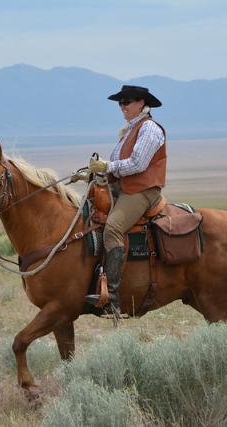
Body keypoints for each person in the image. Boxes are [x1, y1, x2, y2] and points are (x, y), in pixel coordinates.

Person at [84, 85, 166, 314]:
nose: (122, 107)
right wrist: (96, 174)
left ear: (142, 103)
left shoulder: (149, 129)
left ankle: (111, 294)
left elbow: (138, 164)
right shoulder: (130, 130)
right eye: (120, 103)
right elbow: (119, 168)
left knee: (112, 228)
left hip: (142, 191)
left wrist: (107, 166)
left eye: (127, 102)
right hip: (124, 187)